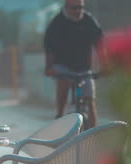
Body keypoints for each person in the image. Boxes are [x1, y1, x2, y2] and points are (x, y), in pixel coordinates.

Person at [43, 0, 103, 129]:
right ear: (66, 7)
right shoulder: (57, 23)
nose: (78, 11)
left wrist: (105, 65)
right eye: (74, 8)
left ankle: (93, 134)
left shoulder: (88, 21)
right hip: (63, 67)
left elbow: (100, 43)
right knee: (63, 83)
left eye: (81, 7)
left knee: (90, 101)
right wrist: (48, 67)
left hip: (84, 68)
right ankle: (59, 115)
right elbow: (49, 48)